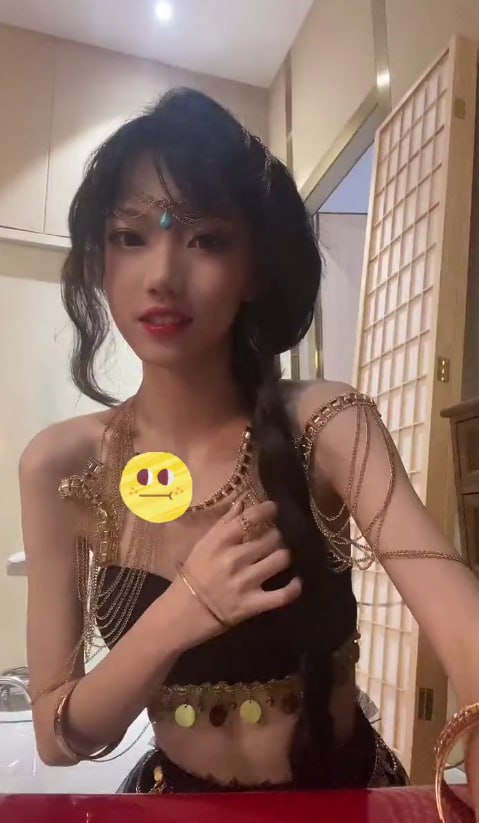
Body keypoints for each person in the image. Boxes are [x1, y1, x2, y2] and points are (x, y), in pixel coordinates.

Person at [18, 88, 479, 817]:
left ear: (256, 268)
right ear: (100, 261)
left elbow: (448, 597)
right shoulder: (62, 467)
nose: (161, 274)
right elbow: (56, 736)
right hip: (180, 807)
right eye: (130, 236)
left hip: (344, 803)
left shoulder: (326, 424)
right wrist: (185, 610)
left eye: (205, 239)